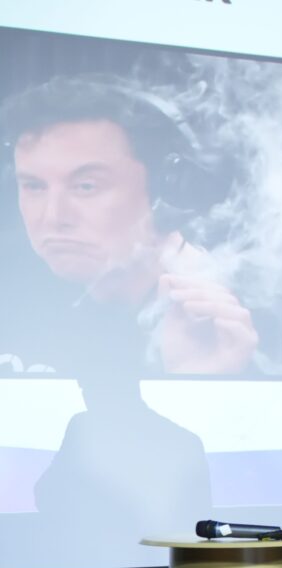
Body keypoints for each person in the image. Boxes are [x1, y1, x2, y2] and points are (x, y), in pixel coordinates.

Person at [0, 75, 257, 375]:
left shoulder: (242, 324)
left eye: (86, 186)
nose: (53, 217)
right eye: (34, 186)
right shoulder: (15, 287)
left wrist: (195, 388)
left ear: (167, 193)